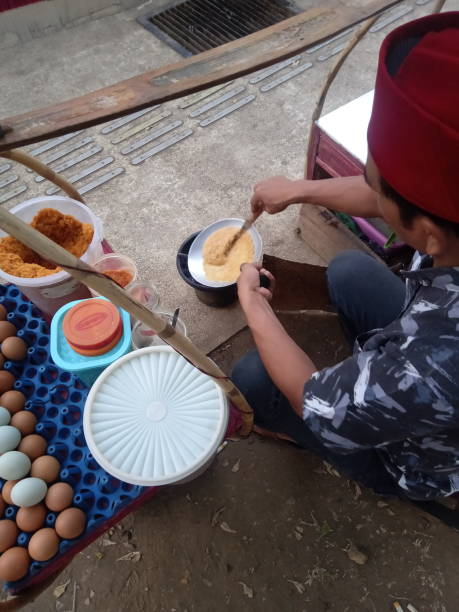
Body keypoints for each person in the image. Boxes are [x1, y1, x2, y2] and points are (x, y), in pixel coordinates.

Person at [232, 12, 459, 502]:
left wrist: (254, 306)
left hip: (421, 461)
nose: (371, 188)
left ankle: (324, 449)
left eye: (379, 184)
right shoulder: (447, 229)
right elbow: (395, 196)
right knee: (350, 269)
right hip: (428, 356)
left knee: (253, 375)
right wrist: (299, 190)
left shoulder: (436, 365)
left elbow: (317, 404)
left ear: (429, 233)